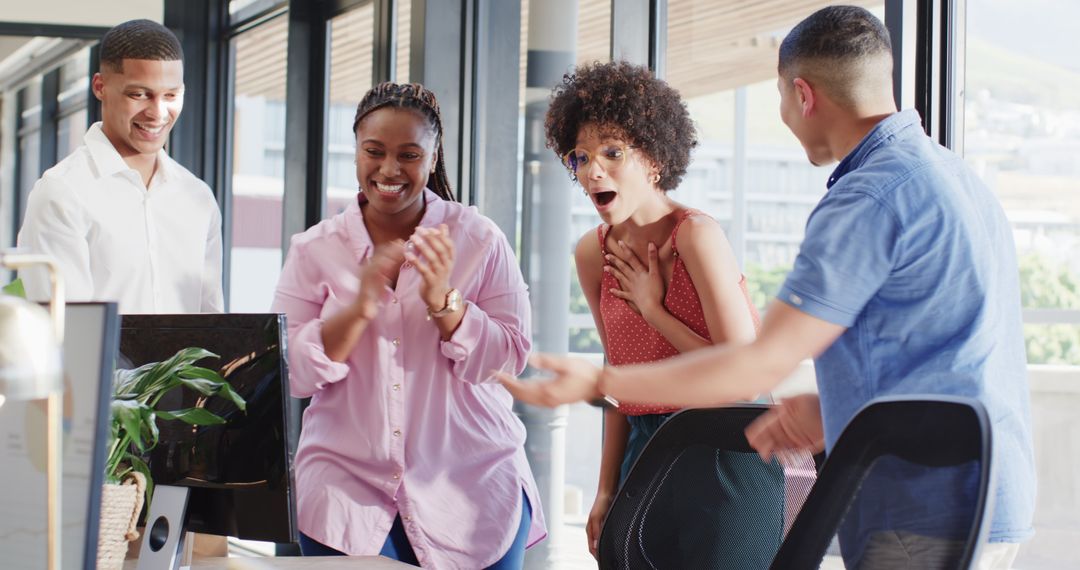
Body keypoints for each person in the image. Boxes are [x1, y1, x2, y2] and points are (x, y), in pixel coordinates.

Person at [500, 6, 1034, 569]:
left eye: (779, 96)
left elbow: (758, 365)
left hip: (920, 505)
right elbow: (943, 350)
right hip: (985, 489)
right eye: (580, 157)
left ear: (801, 95)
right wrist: (834, 408)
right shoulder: (952, 176)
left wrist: (601, 378)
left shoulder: (865, 198)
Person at [271, 82, 545, 568]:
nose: (389, 170)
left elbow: (509, 355)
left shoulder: (479, 238)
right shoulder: (314, 249)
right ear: (355, 151)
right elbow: (289, 372)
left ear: (433, 158)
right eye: (373, 152)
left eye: (409, 154)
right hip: (343, 494)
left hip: (472, 487)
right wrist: (358, 309)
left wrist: (445, 302)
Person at [543, 61, 771, 561]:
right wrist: (604, 488)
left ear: (653, 159)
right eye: (579, 157)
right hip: (644, 453)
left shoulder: (696, 235)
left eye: (611, 152)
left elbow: (744, 379)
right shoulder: (591, 252)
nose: (591, 169)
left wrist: (654, 310)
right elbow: (616, 376)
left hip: (725, 450)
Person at [17, 19, 223, 314]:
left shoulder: (197, 197)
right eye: (139, 94)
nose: (157, 113)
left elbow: (213, 322)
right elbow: (67, 333)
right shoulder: (62, 193)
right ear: (100, 87)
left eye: (170, 95)